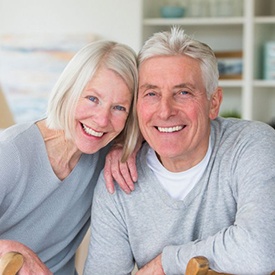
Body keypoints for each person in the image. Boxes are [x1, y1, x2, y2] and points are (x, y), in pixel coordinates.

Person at [84, 27, 275, 275]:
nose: (165, 111)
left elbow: (259, 251)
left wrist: (167, 262)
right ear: (137, 106)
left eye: (183, 92)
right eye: (151, 93)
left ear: (213, 102)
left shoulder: (252, 145)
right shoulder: (118, 180)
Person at [0, 40, 139, 274]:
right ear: (69, 91)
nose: (102, 120)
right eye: (92, 99)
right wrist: (8, 248)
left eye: (119, 108)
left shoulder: (105, 155)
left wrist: (128, 145)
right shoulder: (10, 152)